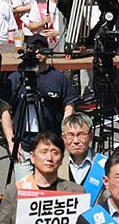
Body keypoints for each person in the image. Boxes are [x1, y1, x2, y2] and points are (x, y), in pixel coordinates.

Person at [5, 33, 77, 163]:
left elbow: (69, 105)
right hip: (24, 144)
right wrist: (11, 142)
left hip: (51, 143)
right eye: (33, 48)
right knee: (24, 183)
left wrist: (65, 131)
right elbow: (5, 109)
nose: (37, 52)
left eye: (41, 48)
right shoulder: (16, 78)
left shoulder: (58, 77)